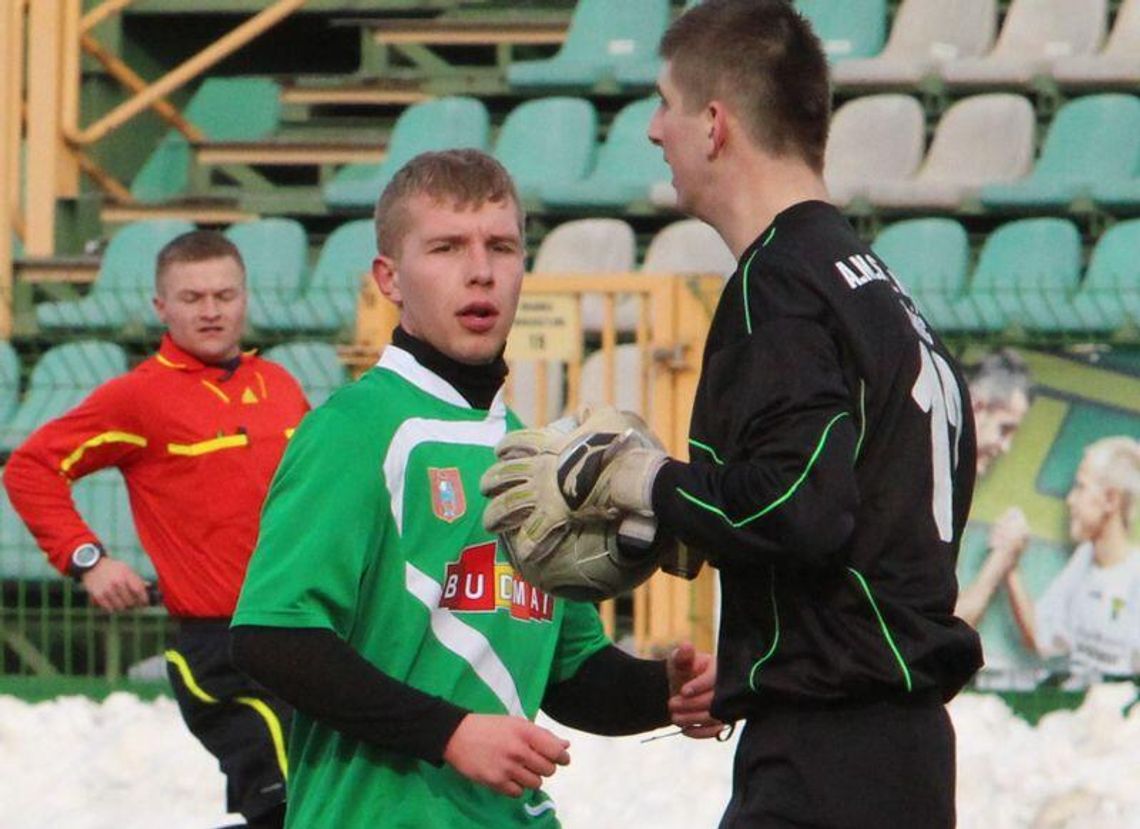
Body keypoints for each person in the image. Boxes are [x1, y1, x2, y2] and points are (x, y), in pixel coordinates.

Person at [484, 3, 983, 826]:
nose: (651, 130)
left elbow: (800, 506)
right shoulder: (876, 289)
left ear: (714, 125)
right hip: (900, 752)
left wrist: (642, 481)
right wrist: (701, 550)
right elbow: (856, 515)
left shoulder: (780, 285)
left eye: (663, 103)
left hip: (827, 758)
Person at [228, 149, 719, 828]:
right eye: (447, 247)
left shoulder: (534, 457)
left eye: (502, 246)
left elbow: (572, 675)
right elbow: (272, 638)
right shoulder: (354, 430)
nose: (480, 270)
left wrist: (668, 691)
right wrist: (449, 731)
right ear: (389, 278)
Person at [3, 230, 309, 829]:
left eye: (224, 294)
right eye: (192, 297)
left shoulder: (281, 387)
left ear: (246, 298)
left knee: (333, 803)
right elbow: (30, 468)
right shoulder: (137, 397)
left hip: (309, 631)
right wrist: (87, 559)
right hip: (223, 649)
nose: (211, 310)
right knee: (289, 806)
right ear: (160, 308)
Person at [1005, 436, 1140, 680]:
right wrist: (1010, 565)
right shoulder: (1084, 558)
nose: (1070, 500)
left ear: (1111, 499)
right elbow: (1039, 637)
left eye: (1080, 487)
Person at [955, 348, 1034, 629]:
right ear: (976, 407)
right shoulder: (923, 486)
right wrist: (1002, 559)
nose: (1006, 446)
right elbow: (945, 627)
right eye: (1005, 429)